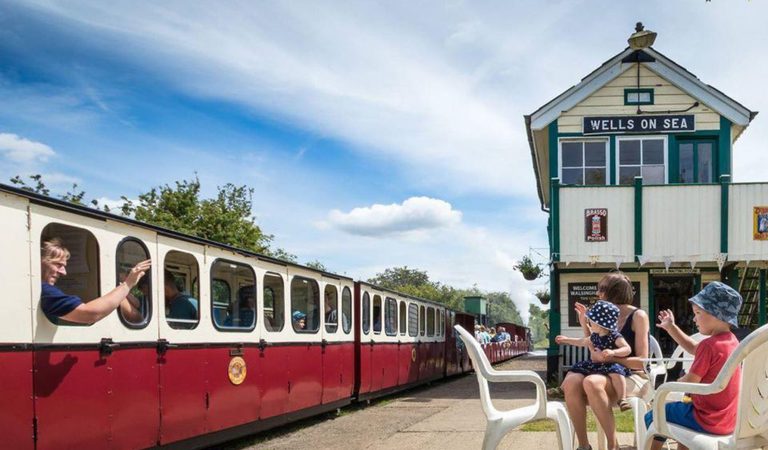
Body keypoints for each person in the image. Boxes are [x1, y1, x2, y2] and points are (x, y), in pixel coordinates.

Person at [644, 282, 743, 450]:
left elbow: (691, 381)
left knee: (654, 415)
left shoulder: (709, 345)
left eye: (698, 313)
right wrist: (671, 327)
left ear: (716, 314)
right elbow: (692, 348)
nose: (694, 319)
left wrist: (675, 382)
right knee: (681, 416)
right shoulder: (732, 342)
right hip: (727, 421)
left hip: (704, 419)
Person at [560, 272, 650, 450]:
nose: (597, 293)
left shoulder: (638, 316)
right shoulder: (601, 315)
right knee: (571, 381)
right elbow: (594, 346)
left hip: (631, 376)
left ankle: (613, 445)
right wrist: (584, 325)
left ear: (612, 292)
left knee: (592, 382)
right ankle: (584, 446)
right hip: (602, 371)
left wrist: (611, 357)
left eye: (601, 289)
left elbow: (641, 362)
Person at [40, 238, 150, 324]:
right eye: (58, 264)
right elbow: (90, 314)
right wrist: (128, 284)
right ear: (39, 261)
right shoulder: (45, 291)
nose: (64, 272)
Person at [556, 300, 633, 412]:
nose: (589, 323)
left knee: (617, 374)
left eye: (591, 321)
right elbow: (581, 342)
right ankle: (561, 389)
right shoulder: (595, 336)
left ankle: (622, 399)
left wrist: (614, 352)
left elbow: (627, 349)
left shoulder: (615, 336)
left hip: (610, 364)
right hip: (596, 364)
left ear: (600, 324)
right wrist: (566, 340)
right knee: (575, 368)